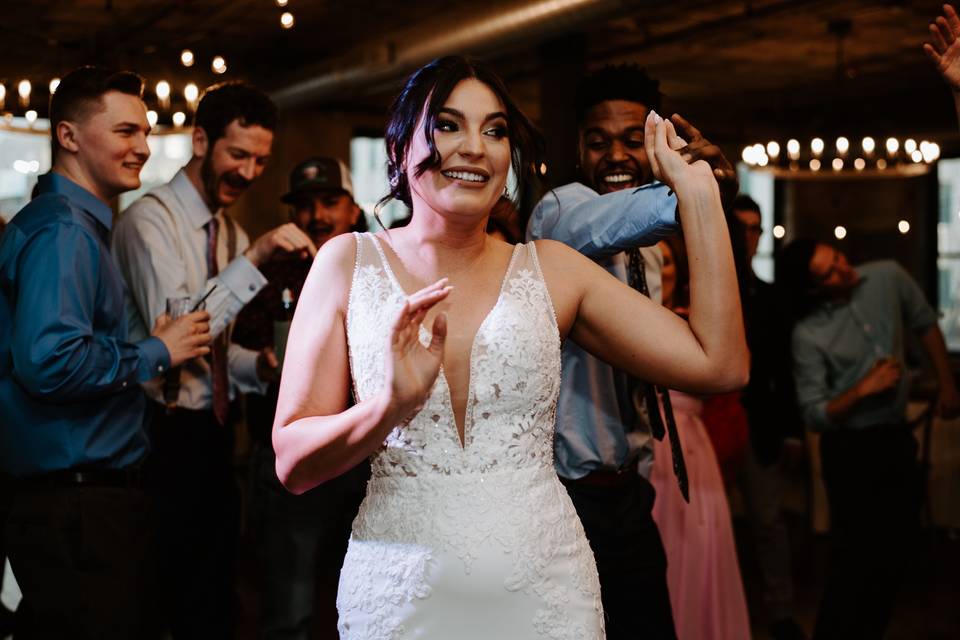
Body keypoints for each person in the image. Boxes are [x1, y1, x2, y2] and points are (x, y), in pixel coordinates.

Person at [272, 55, 747, 639]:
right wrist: (387, 407)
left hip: (546, 590)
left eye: (494, 130)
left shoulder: (550, 270)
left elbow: (719, 363)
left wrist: (700, 197)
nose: (475, 146)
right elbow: (292, 464)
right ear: (398, 148)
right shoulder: (347, 264)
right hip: (400, 597)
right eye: (448, 125)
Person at [526, 63, 737, 639]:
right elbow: (602, 225)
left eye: (631, 140)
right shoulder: (559, 213)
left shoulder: (653, 256)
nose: (614, 156)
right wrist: (694, 196)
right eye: (597, 142)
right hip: (565, 498)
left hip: (631, 490)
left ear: (656, 144)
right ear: (577, 147)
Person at [0, 66, 211, 639]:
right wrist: (154, 353)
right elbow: (49, 362)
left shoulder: (75, 226)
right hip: (76, 507)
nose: (144, 147)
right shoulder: (65, 231)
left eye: (144, 132)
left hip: (79, 503)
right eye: (124, 132)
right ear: (68, 137)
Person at [111, 81, 316, 637]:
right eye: (238, 155)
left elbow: (220, 351)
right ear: (200, 141)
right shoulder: (147, 222)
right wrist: (256, 255)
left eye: (261, 160)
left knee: (216, 597)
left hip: (219, 436)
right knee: (167, 599)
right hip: (162, 436)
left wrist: (261, 366)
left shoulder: (229, 230)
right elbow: (182, 336)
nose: (250, 172)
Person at [778, 239, 960, 639]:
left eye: (839, 257)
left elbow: (925, 323)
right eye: (830, 271)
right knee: (853, 561)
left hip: (894, 439)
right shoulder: (809, 334)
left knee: (895, 555)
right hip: (849, 451)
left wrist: (947, 384)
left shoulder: (888, 276)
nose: (844, 268)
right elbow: (814, 414)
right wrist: (863, 389)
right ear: (813, 289)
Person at [232, 157, 369, 640]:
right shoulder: (275, 270)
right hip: (298, 463)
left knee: (360, 602)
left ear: (353, 209)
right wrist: (263, 360)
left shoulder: (378, 261)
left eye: (330, 202)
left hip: (369, 457)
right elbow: (239, 342)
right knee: (288, 608)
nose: (317, 215)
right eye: (306, 206)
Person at [650, 234, 751, 640]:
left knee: (697, 547)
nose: (661, 269)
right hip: (643, 446)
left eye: (668, 262)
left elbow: (737, 369)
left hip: (689, 447)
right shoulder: (620, 319)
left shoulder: (694, 321)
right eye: (653, 262)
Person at [731, 195, 806, 640]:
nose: (748, 236)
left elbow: (785, 372)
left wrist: (793, 432)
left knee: (768, 523)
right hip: (704, 427)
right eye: (739, 227)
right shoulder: (698, 287)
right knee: (708, 525)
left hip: (759, 426)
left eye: (755, 228)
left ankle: (780, 613)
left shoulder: (773, 297)